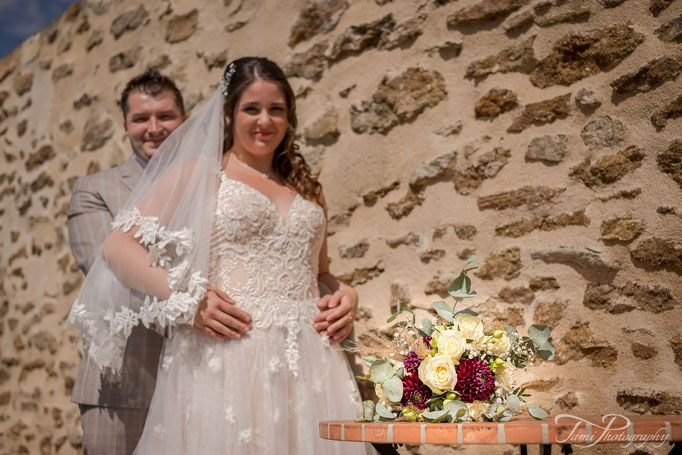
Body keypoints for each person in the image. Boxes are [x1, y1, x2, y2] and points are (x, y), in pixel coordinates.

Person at [68, 57, 367, 454]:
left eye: (276, 109)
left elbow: (320, 272)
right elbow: (118, 247)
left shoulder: (307, 187)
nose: (265, 121)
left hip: (311, 361)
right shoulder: (200, 172)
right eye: (251, 109)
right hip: (230, 355)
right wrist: (186, 299)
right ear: (227, 115)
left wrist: (346, 293)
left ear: (289, 117)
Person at [67, 68, 187, 454]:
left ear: (183, 119)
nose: (154, 127)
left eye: (165, 116)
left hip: (202, 383)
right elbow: (107, 277)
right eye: (141, 118)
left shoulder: (212, 183)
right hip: (123, 385)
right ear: (125, 125)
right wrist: (196, 309)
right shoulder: (94, 190)